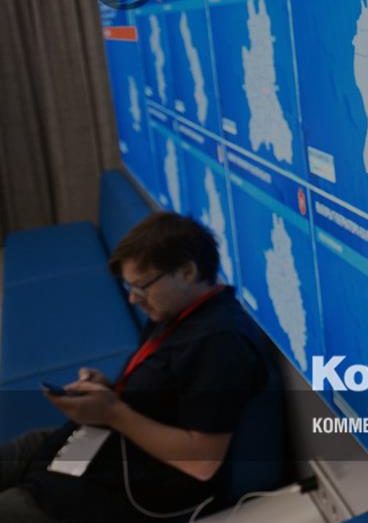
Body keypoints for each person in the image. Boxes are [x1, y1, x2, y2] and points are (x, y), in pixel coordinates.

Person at [0, 212, 269, 522]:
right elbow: (163, 396)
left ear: (187, 271)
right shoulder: (174, 312)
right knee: (28, 449)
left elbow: (202, 461)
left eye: (141, 287)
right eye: (129, 287)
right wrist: (107, 390)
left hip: (113, 485)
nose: (132, 298)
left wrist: (113, 412)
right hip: (84, 446)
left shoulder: (219, 344)